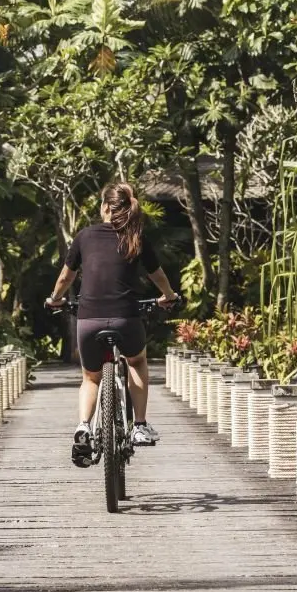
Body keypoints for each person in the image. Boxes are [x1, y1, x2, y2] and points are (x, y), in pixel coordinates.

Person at [45, 182, 180, 467]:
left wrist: (55, 299)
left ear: (105, 207)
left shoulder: (84, 236)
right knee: (137, 361)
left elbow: (65, 279)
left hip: (89, 319)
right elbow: (158, 276)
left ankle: (83, 425)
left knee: (91, 377)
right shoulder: (136, 237)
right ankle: (140, 425)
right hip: (126, 317)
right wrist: (168, 296)